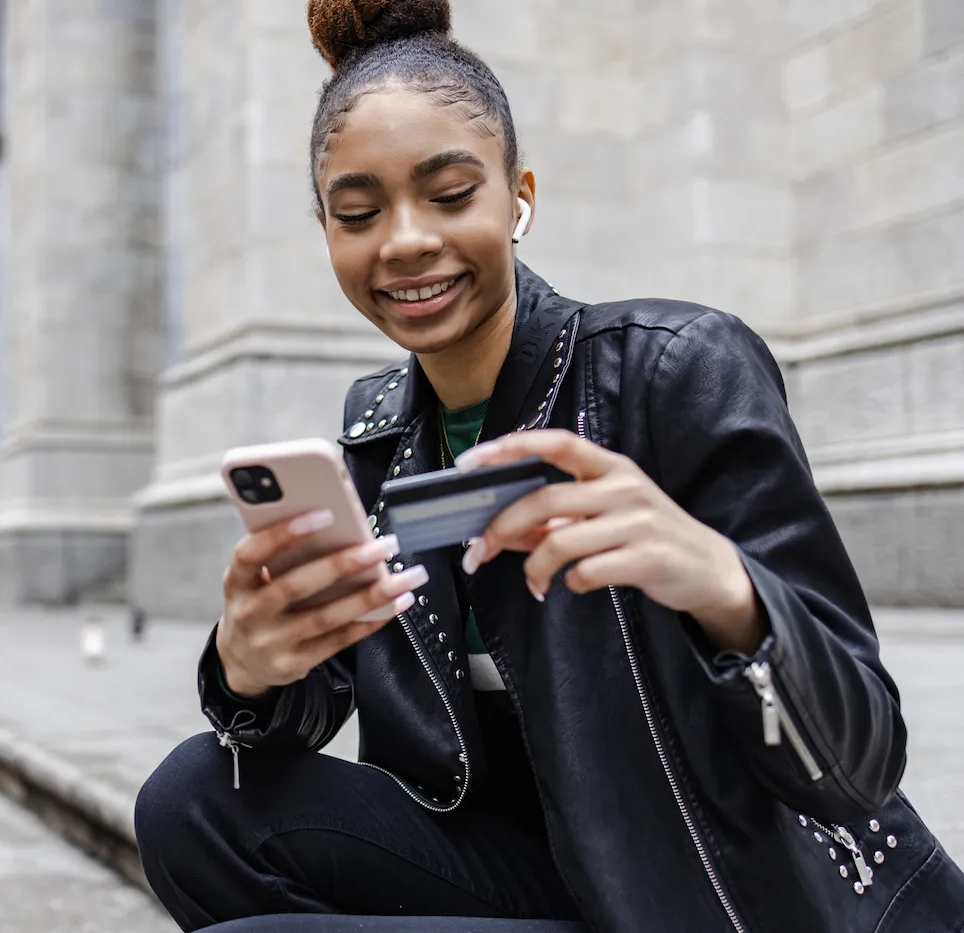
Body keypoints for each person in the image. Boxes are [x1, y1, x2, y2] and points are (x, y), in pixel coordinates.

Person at [133, 3, 964, 932]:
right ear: (327, 230)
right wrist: (250, 668)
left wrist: (727, 590)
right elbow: (310, 716)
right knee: (191, 802)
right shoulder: (374, 435)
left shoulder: (676, 368)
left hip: (723, 893)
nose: (405, 240)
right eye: (360, 212)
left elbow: (863, 757)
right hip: (537, 875)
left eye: (450, 195)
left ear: (518, 195)